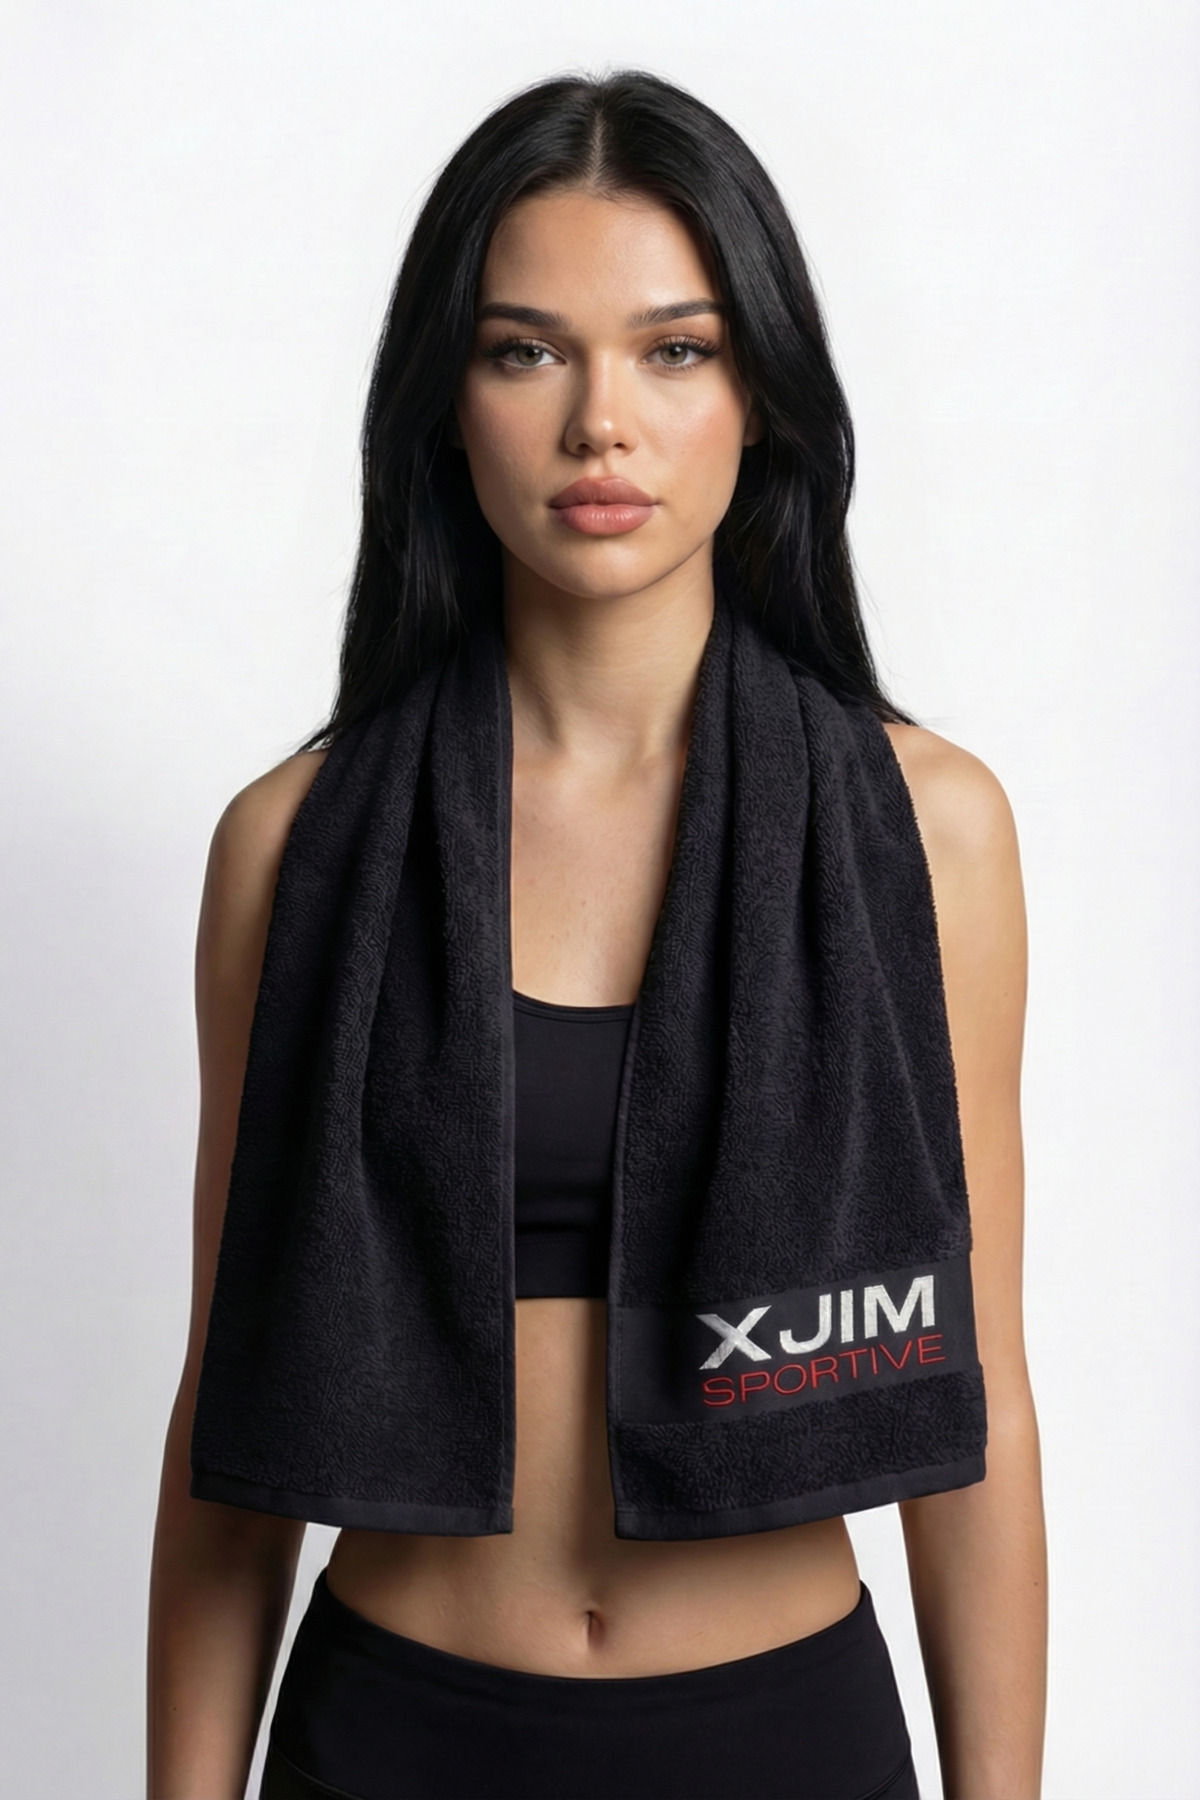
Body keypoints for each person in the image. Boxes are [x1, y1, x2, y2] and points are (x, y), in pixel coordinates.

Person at [147, 70, 1047, 1800]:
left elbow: (981, 1392)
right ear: (446, 401)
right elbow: (230, 1402)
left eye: (676, 350)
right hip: (391, 1733)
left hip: (782, 1737)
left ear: (762, 395)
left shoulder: (926, 830)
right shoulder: (294, 847)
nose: (600, 425)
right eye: (526, 352)